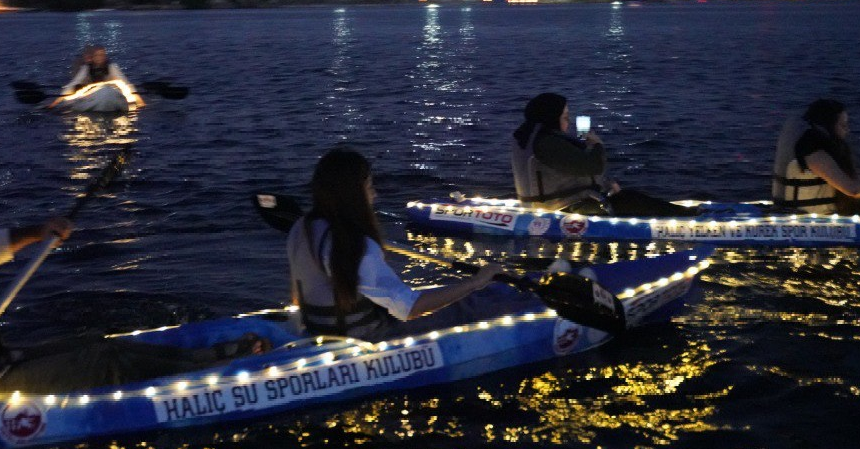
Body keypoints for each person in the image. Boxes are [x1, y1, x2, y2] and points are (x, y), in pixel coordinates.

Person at [0, 168, 264, 401]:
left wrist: (39, 230)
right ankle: (218, 371)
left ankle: (206, 358)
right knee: (100, 362)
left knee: (95, 341)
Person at [287, 147, 504, 341]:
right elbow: (408, 308)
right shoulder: (355, 245)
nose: (374, 195)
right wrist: (476, 282)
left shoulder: (301, 228)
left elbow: (297, 298)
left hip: (319, 331)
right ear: (352, 194)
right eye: (369, 187)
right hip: (364, 337)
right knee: (465, 308)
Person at [510, 92, 696, 217]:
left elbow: (570, 173)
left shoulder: (529, 137)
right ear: (551, 117)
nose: (568, 122)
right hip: (563, 208)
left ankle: (682, 212)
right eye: (565, 117)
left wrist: (606, 185)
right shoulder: (547, 143)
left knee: (624, 197)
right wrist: (597, 145)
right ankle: (688, 217)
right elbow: (592, 166)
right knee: (628, 200)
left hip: (552, 205)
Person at [772, 99, 860, 215]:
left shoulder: (812, 144)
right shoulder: (813, 152)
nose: (847, 130)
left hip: (819, 213)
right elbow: (854, 190)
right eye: (843, 125)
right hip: (810, 219)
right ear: (827, 126)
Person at [49, 44, 144, 108]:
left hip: (110, 90)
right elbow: (73, 83)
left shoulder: (111, 67)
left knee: (113, 88)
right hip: (90, 93)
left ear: (105, 56)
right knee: (76, 87)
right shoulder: (86, 68)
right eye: (97, 55)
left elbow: (125, 83)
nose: (100, 57)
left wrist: (140, 101)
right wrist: (55, 103)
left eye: (102, 55)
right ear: (93, 57)